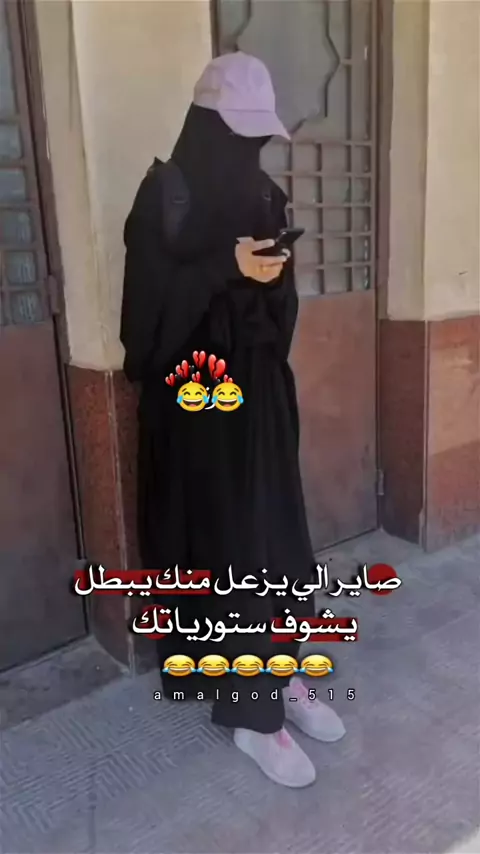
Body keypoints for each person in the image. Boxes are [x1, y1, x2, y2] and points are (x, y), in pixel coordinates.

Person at [120, 51, 345, 788]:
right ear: (206, 125)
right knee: (231, 554)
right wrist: (226, 265)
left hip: (260, 403)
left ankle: (283, 675)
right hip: (199, 412)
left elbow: (277, 319)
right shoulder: (164, 197)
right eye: (237, 134)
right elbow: (145, 331)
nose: (248, 151)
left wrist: (271, 278)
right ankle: (253, 717)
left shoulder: (265, 194)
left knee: (279, 545)